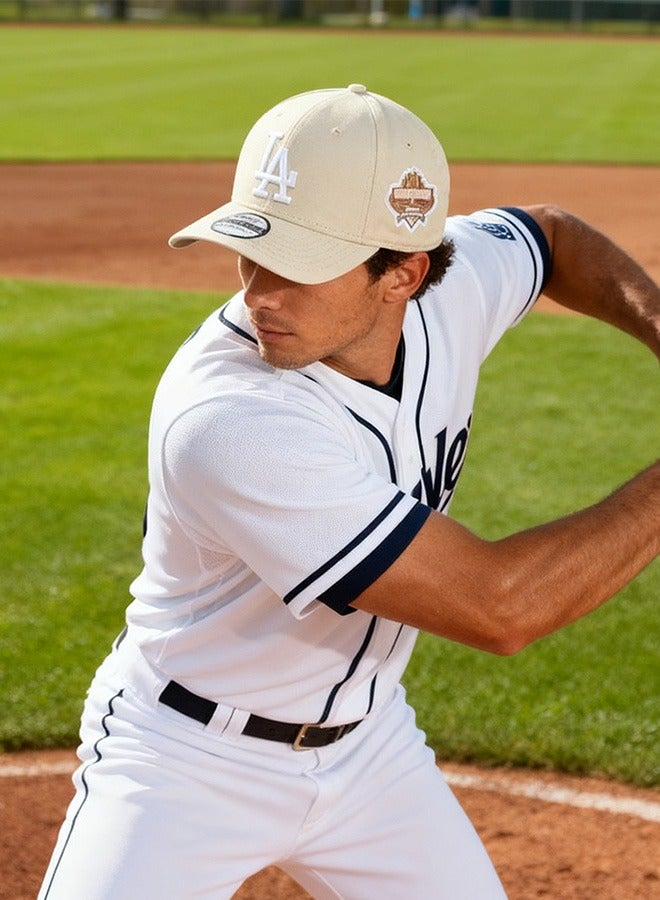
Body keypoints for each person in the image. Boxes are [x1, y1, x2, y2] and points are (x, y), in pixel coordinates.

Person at [40, 84, 659, 900]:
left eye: (298, 264)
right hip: (183, 764)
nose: (259, 291)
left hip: (368, 753)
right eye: (251, 250)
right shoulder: (229, 418)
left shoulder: (458, 281)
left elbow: (550, 234)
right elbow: (499, 606)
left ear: (403, 272)